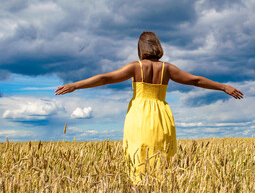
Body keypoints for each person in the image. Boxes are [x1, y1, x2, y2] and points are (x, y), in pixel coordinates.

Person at [55, 31, 243, 184]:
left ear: (140, 48)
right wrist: (223, 86)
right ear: (158, 46)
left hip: (139, 116)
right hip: (161, 115)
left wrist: (76, 85)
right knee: (162, 156)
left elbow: (105, 78)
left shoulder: (135, 67)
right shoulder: (168, 69)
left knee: (138, 158)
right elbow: (196, 80)